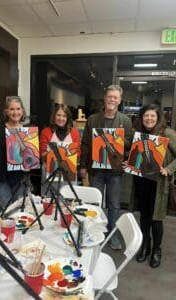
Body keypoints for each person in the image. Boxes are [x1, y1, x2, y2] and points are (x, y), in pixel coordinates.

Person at [80, 85, 132, 250]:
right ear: (105, 98)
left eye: (115, 97)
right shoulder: (93, 119)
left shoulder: (125, 120)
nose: (112, 100)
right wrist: (82, 166)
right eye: (110, 96)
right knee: (95, 202)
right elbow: (85, 144)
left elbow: (130, 145)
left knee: (114, 204)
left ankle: (112, 234)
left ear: (120, 100)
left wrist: (118, 140)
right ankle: (95, 233)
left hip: (115, 170)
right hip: (96, 169)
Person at [133, 104, 176, 268]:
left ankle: (157, 250)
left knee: (156, 220)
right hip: (142, 182)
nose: (148, 119)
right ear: (142, 118)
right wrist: (130, 163)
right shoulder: (140, 134)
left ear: (158, 117)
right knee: (144, 217)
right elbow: (138, 157)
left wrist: (169, 169)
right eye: (146, 116)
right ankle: (146, 245)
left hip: (158, 185)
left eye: (152, 116)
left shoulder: (168, 133)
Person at [0, 96, 28, 212]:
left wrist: (28, 165)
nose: (15, 112)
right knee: (5, 212)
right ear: (6, 111)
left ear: (22, 110)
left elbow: (28, 154)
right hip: (0, 178)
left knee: (19, 211)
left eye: (18, 109)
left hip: (19, 178)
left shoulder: (26, 131)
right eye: (12, 109)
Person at [40, 104, 80, 196]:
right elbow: (42, 154)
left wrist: (68, 156)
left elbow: (78, 154)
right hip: (50, 173)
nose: (61, 118)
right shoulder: (46, 132)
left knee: (69, 201)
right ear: (54, 116)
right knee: (49, 201)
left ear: (68, 118)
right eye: (58, 115)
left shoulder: (74, 133)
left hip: (69, 172)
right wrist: (52, 155)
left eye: (64, 116)